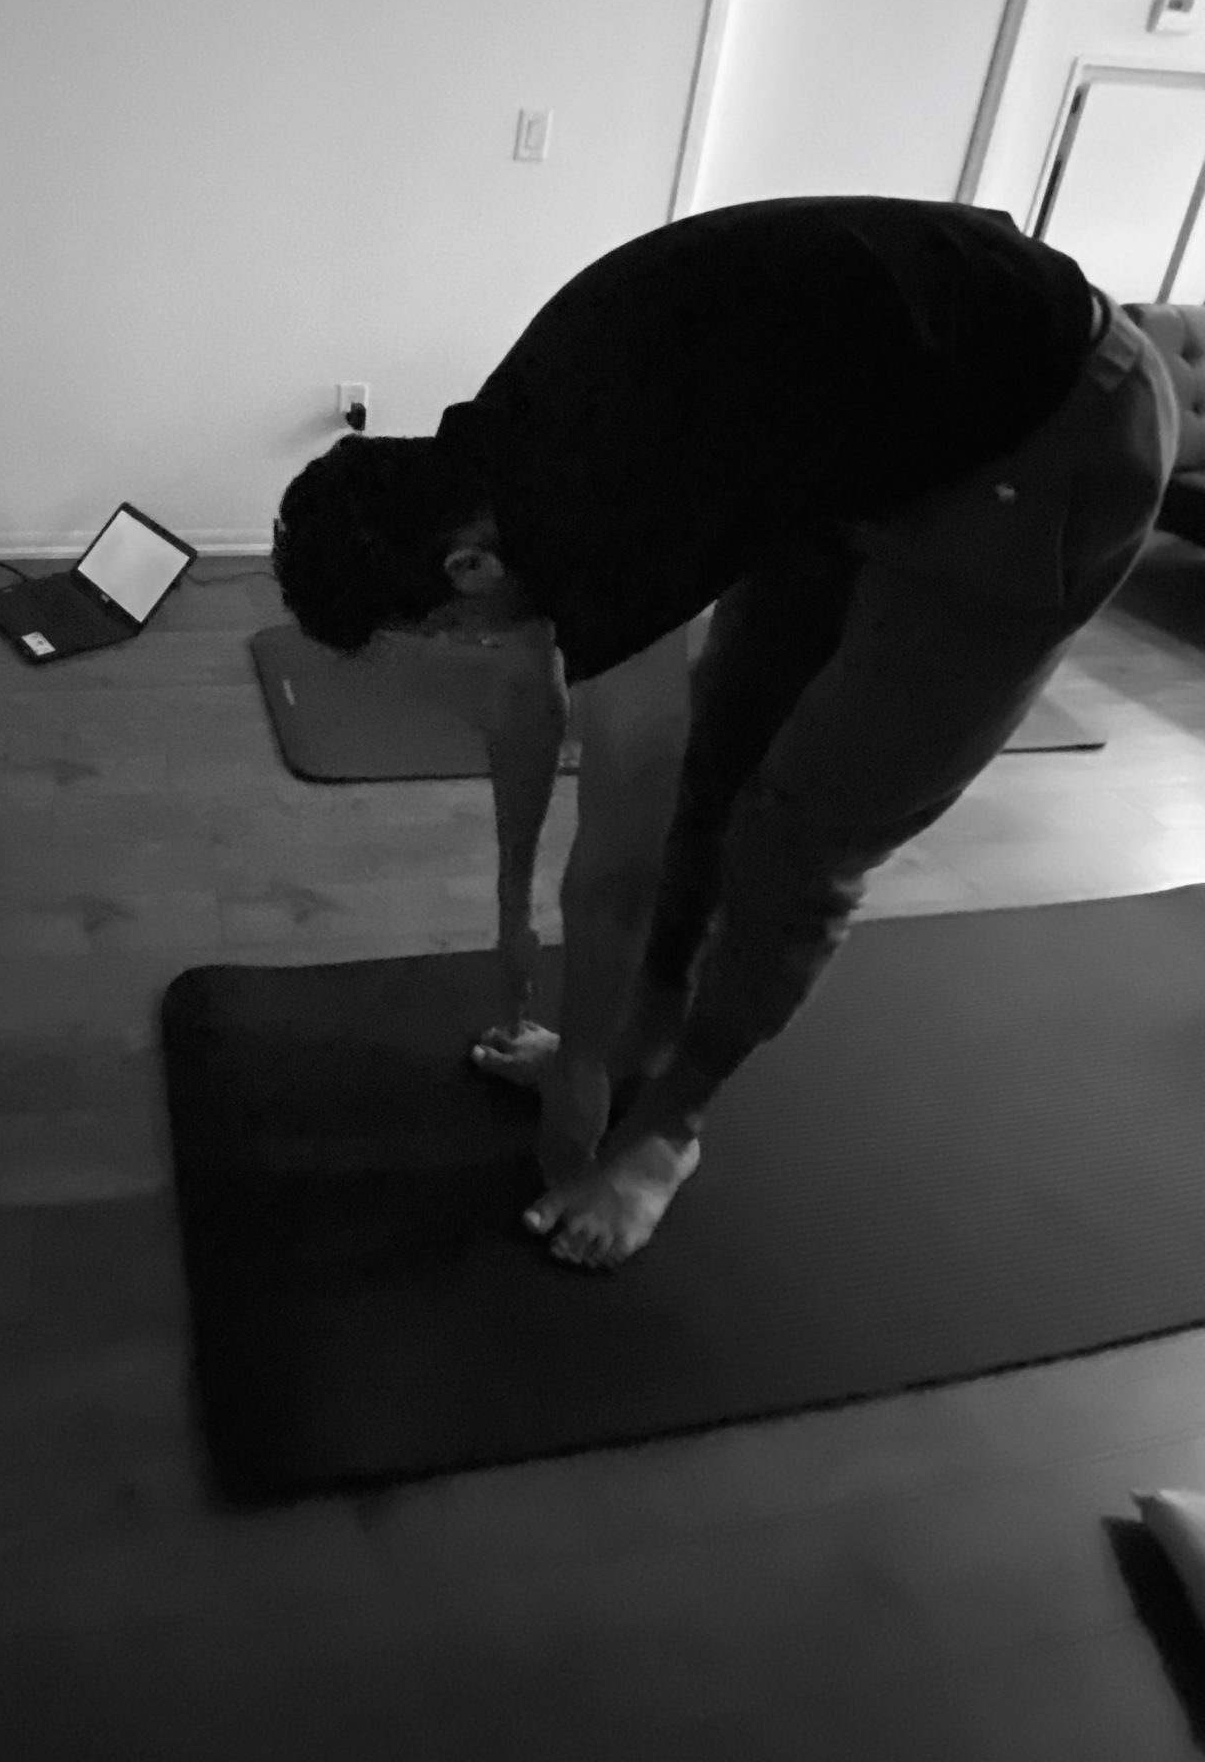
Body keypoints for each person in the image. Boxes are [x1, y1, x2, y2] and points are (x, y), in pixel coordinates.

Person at [271, 197, 1181, 1272]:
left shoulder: (592, 515)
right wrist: (515, 926)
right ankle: (640, 1037)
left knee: (799, 838)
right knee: (718, 757)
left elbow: (614, 865)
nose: (455, 643)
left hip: (1053, 429)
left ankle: (668, 1131)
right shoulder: (488, 474)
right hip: (868, 444)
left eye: (434, 629)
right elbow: (530, 706)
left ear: (466, 571)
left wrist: (578, 1088)